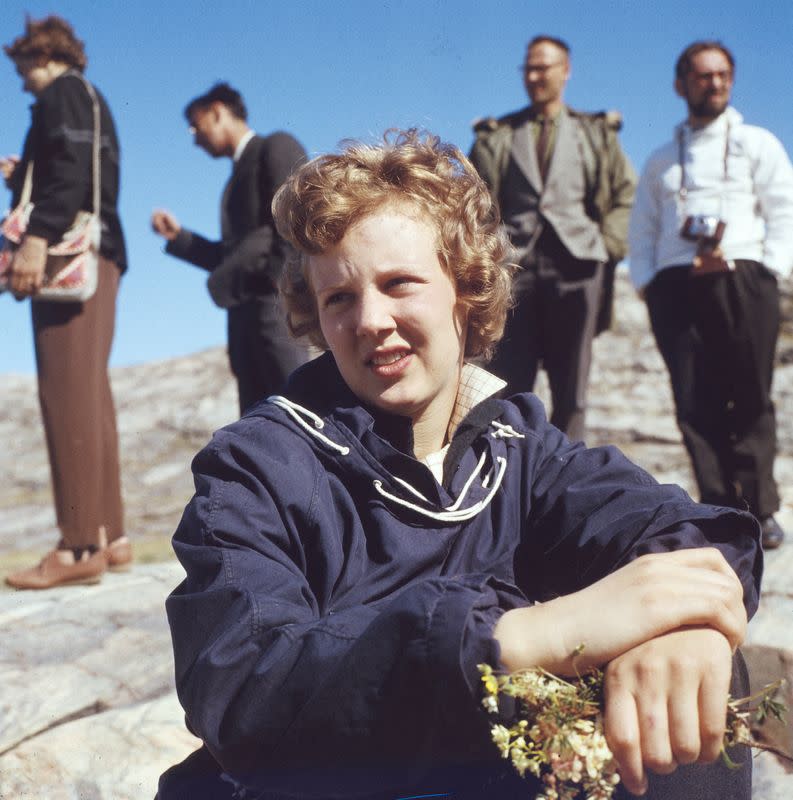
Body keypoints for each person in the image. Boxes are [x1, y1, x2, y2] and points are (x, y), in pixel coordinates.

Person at [158, 130, 760, 799]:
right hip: (333, 780)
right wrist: (522, 638)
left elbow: (666, 525)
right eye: (339, 299)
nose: (370, 321)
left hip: (489, 766)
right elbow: (241, 683)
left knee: (694, 700)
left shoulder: (518, 442)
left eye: (399, 284)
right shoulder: (256, 466)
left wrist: (689, 624)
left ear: (464, 291)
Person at [628, 41, 793, 551]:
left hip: (743, 277)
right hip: (678, 285)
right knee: (694, 401)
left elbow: (783, 206)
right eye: (703, 76)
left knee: (749, 397)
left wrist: (769, 268)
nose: (715, 83)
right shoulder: (661, 160)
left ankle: (761, 510)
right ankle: (720, 506)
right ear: (682, 85)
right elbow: (643, 228)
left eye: (723, 74)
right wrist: (648, 282)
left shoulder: (757, 143)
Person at [2, 16, 130, 590]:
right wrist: (24, 175)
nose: (20, 78)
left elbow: (74, 169)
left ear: (41, 56)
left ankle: (79, 547)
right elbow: (81, 166)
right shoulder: (90, 97)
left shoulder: (60, 95)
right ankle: (111, 536)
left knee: (64, 390)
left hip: (68, 255)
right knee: (89, 390)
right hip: (104, 251)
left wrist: (36, 237)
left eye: (21, 65)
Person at [469, 35, 636, 442]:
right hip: (513, 268)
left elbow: (624, 193)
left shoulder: (594, 133)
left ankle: (565, 481)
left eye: (542, 67)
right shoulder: (498, 135)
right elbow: (471, 199)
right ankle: (507, 475)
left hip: (578, 267)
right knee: (505, 379)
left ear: (566, 71)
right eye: (527, 68)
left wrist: (608, 247)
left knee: (571, 388)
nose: (533, 76)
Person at [151, 83, 310, 415]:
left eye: (196, 125)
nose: (194, 137)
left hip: (275, 314)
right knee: (260, 427)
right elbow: (233, 257)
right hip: (244, 323)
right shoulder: (235, 176)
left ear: (218, 111)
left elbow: (296, 223)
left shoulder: (275, 146)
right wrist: (178, 238)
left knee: (300, 412)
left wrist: (277, 290)